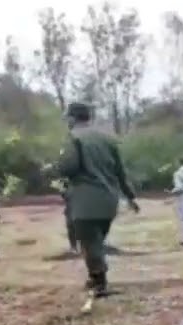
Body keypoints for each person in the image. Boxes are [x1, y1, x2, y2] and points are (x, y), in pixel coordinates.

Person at [54, 102, 139, 296]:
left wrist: (56, 166)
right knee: (96, 241)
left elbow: (68, 167)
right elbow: (121, 172)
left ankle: (100, 281)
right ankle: (96, 277)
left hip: (86, 200)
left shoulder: (73, 138)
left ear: (72, 118)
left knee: (89, 241)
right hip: (109, 200)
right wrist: (130, 197)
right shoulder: (108, 139)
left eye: (67, 118)